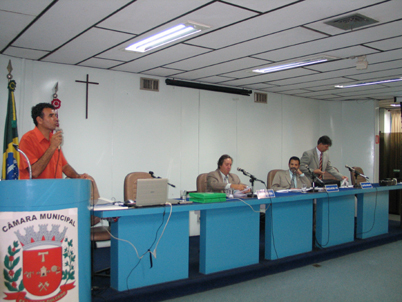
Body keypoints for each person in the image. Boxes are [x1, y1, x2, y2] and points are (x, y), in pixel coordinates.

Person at [19, 103, 90, 180]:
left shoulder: (53, 138)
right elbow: (35, 172)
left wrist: (78, 176)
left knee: (90, 181)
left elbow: (64, 166)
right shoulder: (28, 139)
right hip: (37, 190)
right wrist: (52, 147)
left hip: (55, 189)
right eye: (51, 116)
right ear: (39, 120)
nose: (56, 119)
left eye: (55, 115)